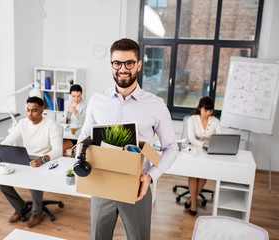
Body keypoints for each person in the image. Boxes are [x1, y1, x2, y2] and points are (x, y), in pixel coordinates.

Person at [77, 38, 178, 240]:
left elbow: (171, 147)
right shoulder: (97, 101)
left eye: (129, 63)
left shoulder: (156, 105)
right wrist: (80, 157)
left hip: (137, 187)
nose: (123, 69)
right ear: (111, 65)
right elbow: (84, 135)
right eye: (117, 63)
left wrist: (150, 176)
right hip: (101, 183)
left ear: (139, 65)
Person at [0, 96, 62, 228]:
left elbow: (58, 150)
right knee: (1, 181)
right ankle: (20, 207)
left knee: (33, 179)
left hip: (43, 159)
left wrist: (42, 159)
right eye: (28, 110)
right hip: (25, 158)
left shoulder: (50, 124)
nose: (30, 114)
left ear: (42, 110)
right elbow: (9, 140)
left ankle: (37, 211)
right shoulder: (23, 123)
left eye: (34, 110)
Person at [185, 96, 221, 215]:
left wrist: (211, 146)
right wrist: (205, 144)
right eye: (206, 110)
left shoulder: (215, 121)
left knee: (203, 175)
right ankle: (194, 204)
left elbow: (220, 138)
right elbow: (192, 139)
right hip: (194, 150)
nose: (208, 113)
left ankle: (191, 199)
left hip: (209, 152)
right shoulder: (192, 119)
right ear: (200, 108)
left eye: (210, 111)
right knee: (193, 175)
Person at [63, 84, 86, 155]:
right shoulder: (67, 103)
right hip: (66, 132)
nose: (76, 99)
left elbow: (83, 122)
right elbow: (66, 120)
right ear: (70, 95)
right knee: (55, 146)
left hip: (76, 135)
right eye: (73, 96)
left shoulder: (85, 105)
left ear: (81, 95)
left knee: (61, 148)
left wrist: (76, 112)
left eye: (78, 96)